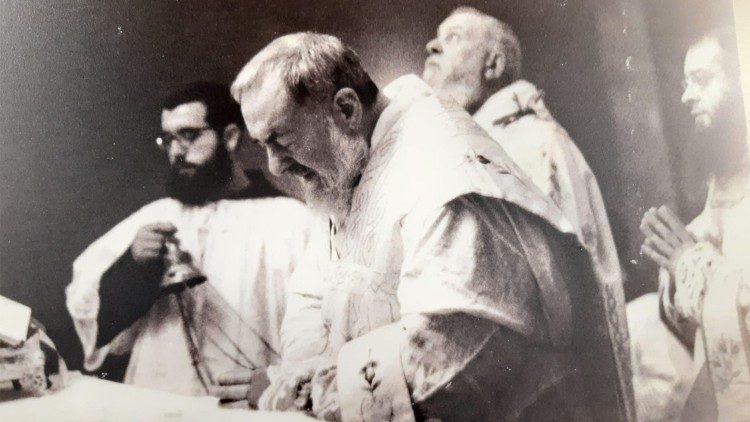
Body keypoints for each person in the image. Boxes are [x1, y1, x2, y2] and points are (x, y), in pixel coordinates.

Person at [223, 32, 633, 421]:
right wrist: (299, 374)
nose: (274, 166)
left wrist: (300, 393)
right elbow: (312, 290)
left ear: (346, 109)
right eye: (263, 145)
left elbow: (445, 359)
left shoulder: (443, 171)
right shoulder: (349, 161)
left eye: (282, 139)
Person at [65, 82, 315, 396]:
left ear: (230, 137)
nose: (176, 151)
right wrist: (133, 266)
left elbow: (320, 326)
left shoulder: (291, 220)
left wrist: (281, 382)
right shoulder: (156, 216)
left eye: (189, 135)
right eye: (168, 139)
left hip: (248, 406)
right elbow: (89, 311)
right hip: (160, 400)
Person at [422, 7, 626, 352]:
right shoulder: (460, 149)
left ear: (494, 65)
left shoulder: (532, 145)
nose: (431, 47)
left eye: (453, 38)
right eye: (437, 38)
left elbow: (553, 293)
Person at [631, 27, 750, 421]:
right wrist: (677, 267)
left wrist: (691, 263)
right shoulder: (725, 174)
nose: (686, 96)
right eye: (684, 83)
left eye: (702, 80)